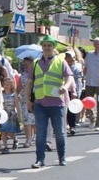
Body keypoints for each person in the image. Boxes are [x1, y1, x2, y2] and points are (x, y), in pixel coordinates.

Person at [25, 35, 74, 168]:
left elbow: (69, 78)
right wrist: (27, 100)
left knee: (60, 132)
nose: (47, 48)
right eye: (45, 45)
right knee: (40, 132)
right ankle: (40, 159)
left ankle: (62, 157)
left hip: (57, 103)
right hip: (40, 102)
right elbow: (29, 83)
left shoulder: (60, 61)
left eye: (49, 46)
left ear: (53, 47)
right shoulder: (35, 63)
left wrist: (65, 87)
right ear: (42, 47)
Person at [83, 37, 99, 130]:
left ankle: (98, 124)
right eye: (96, 43)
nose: (97, 45)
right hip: (89, 81)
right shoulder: (89, 54)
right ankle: (92, 118)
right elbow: (85, 67)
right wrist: (83, 77)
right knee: (87, 103)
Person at [17, 57, 36, 147]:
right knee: (26, 120)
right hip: (25, 100)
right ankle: (28, 139)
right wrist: (16, 95)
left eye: (27, 64)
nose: (25, 66)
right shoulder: (23, 75)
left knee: (35, 120)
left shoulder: (38, 74)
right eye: (24, 64)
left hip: (36, 99)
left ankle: (35, 137)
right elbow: (18, 88)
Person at [0, 77, 21, 153]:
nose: (6, 86)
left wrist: (19, 116)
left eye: (8, 84)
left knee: (10, 131)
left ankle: (15, 139)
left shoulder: (14, 95)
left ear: (11, 85)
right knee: (3, 131)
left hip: (11, 114)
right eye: (5, 84)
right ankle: (6, 147)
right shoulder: (1, 94)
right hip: (3, 115)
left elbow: (17, 106)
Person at [64, 50, 83, 136]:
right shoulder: (62, 66)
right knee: (65, 109)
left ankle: (72, 126)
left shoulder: (77, 66)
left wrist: (76, 91)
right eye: (68, 59)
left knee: (72, 108)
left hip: (74, 89)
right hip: (64, 89)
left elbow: (78, 79)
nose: (70, 61)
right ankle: (65, 125)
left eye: (71, 59)